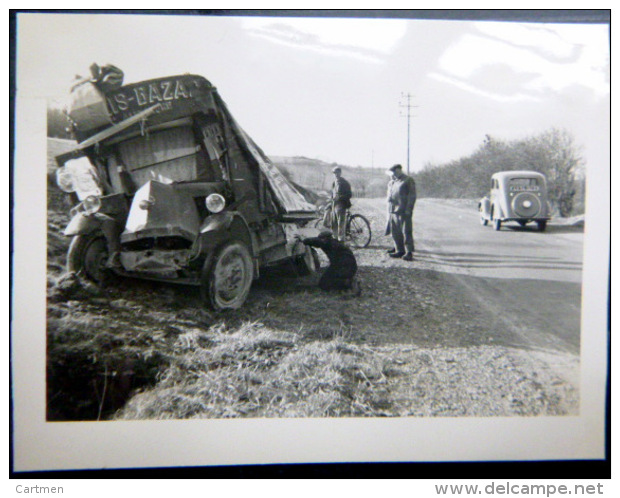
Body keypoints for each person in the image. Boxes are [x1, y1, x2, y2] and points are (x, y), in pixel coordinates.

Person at [299, 230, 360, 294]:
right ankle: (346, 283)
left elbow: (315, 241)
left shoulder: (327, 243)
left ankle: (348, 283)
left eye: (321, 239)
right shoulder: (335, 242)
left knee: (324, 284)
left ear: (325, 239)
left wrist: (304, 240)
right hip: (350, 266)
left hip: (342, 267)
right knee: (326, 281)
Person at [385, 164, 416, 261]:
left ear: (399, 170)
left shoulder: (408, 180)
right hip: (393, 210)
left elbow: (412, 196)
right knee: (395, 232)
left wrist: (409, 209)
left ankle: (409, 252)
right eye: (392, 173)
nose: (393, 174)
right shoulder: (393, 181)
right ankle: (399, 250)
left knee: (406, 231)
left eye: (394, 172)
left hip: (403, 210)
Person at [330, 167, 352, 242]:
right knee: (334, 223)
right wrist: (331, 200)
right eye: (334, 173)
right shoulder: (334, 183)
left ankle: (341, 241)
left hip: (341, 205)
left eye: (337, 173)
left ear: (340, 173)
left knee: (341, 224)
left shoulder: (344, 183)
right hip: (334, 205)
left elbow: (349, 194)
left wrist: (339, 198)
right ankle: (335, 239)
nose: (336, 174)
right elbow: (332, 193)